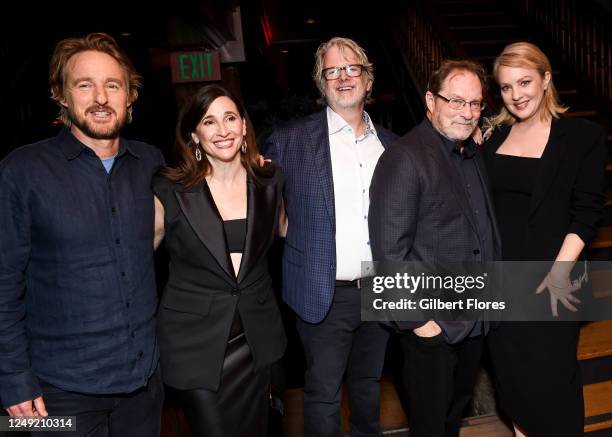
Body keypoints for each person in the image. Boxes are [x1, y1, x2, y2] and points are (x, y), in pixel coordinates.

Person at [0, 33, 164, 436]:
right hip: (54, 392)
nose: (101, 98)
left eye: (113, 85)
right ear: (62, 96)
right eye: (84, 85)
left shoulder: (151, 163)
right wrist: (12, 379)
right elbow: (3, 284)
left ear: (130, 96)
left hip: (144, 382)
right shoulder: (21, 171)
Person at [264, 37, 397, 437]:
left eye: (352, 68)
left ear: (367, 78)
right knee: (321, 396)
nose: (343, 77)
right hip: (324, 291)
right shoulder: (291, 139)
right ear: (321, 82)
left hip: (380, 287)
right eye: (332, 70)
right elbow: (267, 203)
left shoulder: (391, 145)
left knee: (368, 388)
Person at [368, 59, 502, 437]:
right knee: (430, 426)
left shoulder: (469, 154)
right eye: (456, 101)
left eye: (475, 104)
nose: (468, 112)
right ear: (431, 100)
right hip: (433, 328)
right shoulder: (404, 158)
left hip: (473, 318)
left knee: (450, 420)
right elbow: (388, 252)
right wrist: (420, 324)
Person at [482, 42, 607, 436]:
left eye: (525, 82)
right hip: (502, 282)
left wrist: (557, 273)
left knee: (553, 388)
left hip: (555, 281)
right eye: (505, 87)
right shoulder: (492, 135)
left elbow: (587, 212)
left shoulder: (582, 135)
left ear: (546, 79)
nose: (516, 95)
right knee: (513, 384)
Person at [152, 84, 287, 437]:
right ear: (194, 134)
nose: (222, 130)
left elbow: (289, 230)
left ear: (244, 126)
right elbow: (134, 259)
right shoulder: (169, 190)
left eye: (230, 118)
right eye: (209, 122)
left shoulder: (270, 182)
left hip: (258, 339)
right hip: (195, 344)